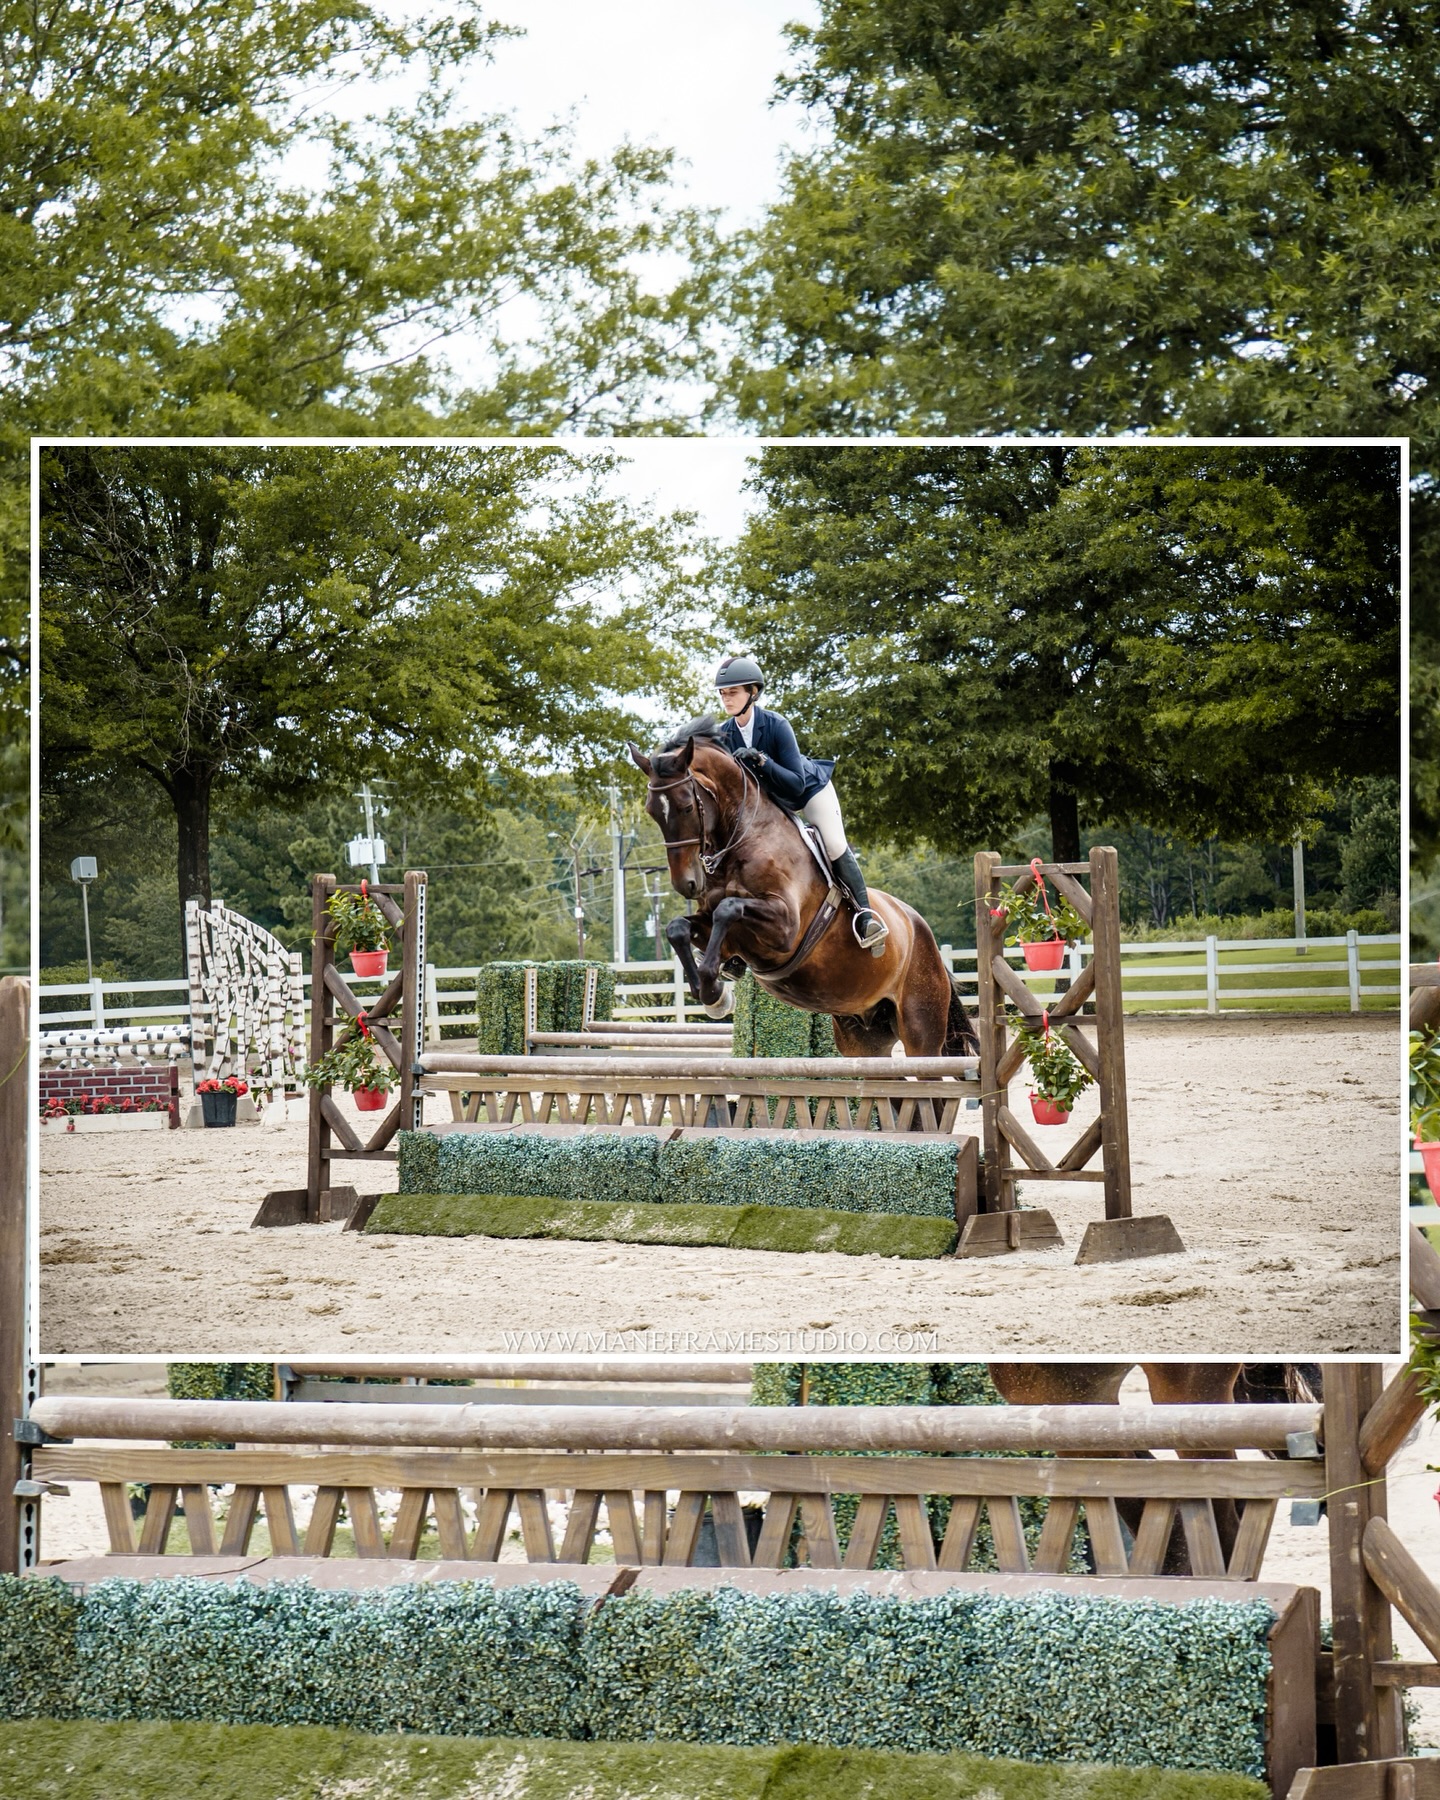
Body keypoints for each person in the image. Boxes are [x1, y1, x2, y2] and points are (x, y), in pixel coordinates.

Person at [713, 653, 888, 953]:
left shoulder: (776, 725)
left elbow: (795, 782)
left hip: (809, 791)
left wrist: (761, 760)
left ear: (753, 693)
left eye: (733, 692)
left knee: (833, 844)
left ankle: (865, 915)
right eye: (723, 693)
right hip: (772, 804)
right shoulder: (724, 735)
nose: (726, 699)